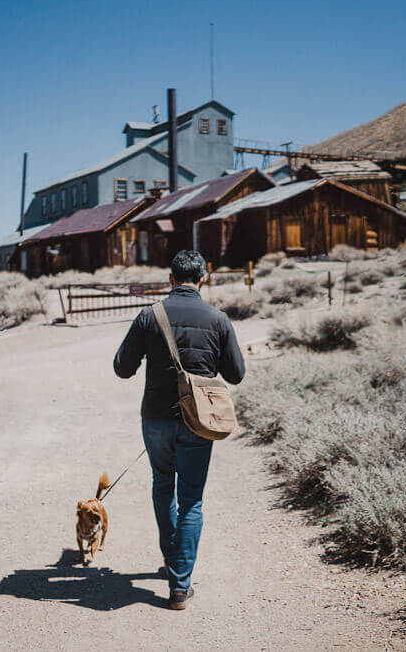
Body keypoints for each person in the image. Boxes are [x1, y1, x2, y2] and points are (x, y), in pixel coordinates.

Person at [113, 249, 246, 610]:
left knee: (162, 486)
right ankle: (179, 585)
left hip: (156, 417)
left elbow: (122, 368)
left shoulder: (148, 315)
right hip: (199, 420)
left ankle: (172, 563)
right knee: (191, 500)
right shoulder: (217, 319)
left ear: (170, 279)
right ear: (203, 279)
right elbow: (236, 374)